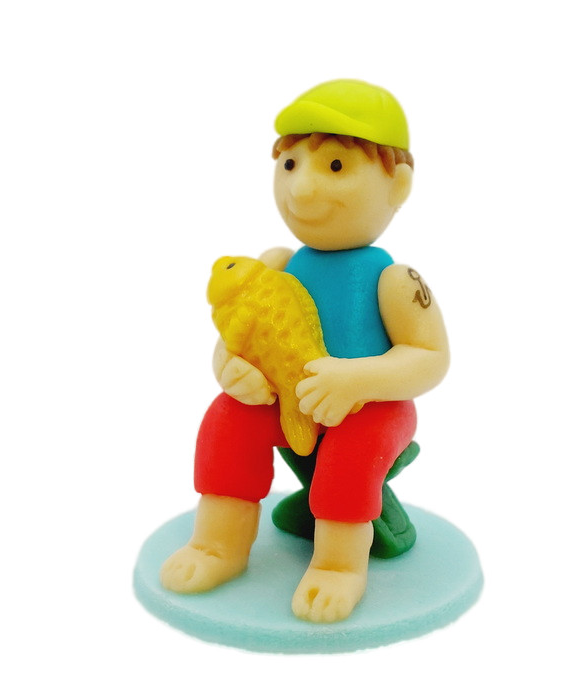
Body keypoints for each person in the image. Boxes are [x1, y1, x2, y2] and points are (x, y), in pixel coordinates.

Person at [160, 79, 450, 623]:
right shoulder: (275, 264)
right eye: (290, 164)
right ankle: (217, 545)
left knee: (353, 449)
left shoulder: (395, 280)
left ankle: (340, 566)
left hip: (373, 407)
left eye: (335, 166)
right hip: (286, 399)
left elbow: (431, 357)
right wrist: (231, 368)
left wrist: (355, 380)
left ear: (398, 185)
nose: (301, 188)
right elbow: (235, 338)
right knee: (228, 418)